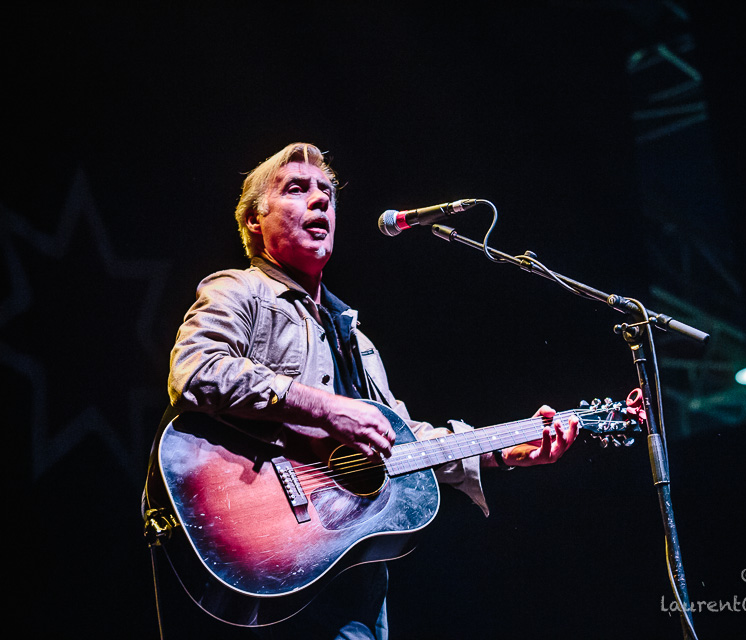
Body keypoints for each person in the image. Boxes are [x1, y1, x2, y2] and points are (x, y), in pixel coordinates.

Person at [144, 142, 579, 639]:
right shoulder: (239, 291)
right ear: (253, 221)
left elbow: (403, 442)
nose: (320, 200)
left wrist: (503, 451)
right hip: (270, 552)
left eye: (326, 193)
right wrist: (326, 408)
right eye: (296, 189)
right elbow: (196, 370)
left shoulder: (356, 339)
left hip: (351, 581)